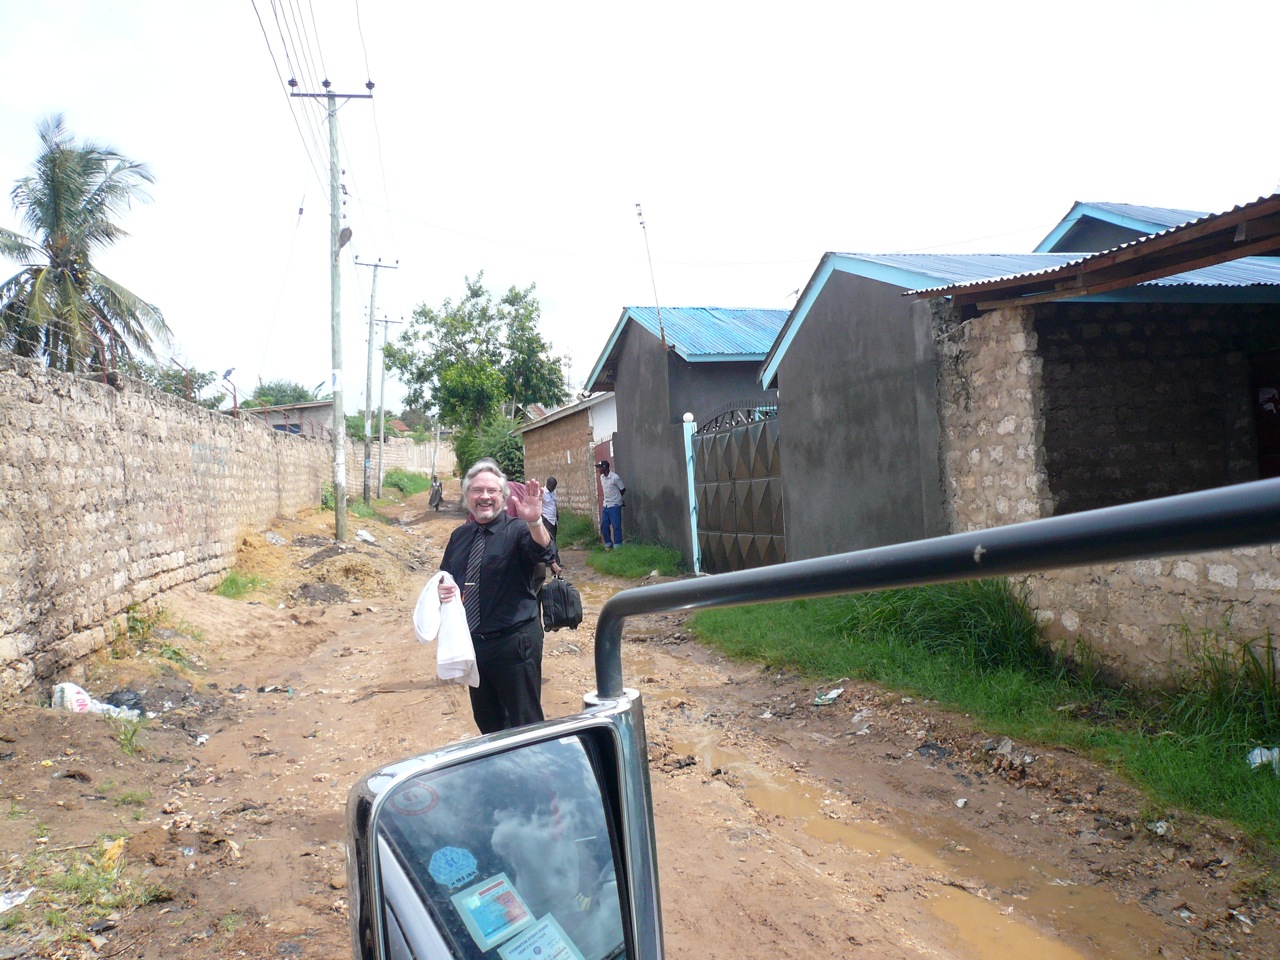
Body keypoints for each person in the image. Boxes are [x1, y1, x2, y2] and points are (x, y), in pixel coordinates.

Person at [437, 459, 557, 734]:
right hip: (475, 645)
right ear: (468, 496)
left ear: (503, 497)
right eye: (477, 490)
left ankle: (534, 775)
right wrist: (441, 588)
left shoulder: (517, 530)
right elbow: (446, 576)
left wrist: (535, 522)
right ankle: (504, 775)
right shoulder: (460, 536)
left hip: (515, 644)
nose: (485, 497)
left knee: (525, 723)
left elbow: (544, 552)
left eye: (492, 491)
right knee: (489, 723)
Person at [596, 460, 626, 550]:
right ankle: (608, 544)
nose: (598, 470)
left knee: (616, 526)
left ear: (605, 468)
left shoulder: (615, 477)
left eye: (600, 468)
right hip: (606, 504)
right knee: (604, 525)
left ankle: (618, 546)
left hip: (615, 505)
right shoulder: (602, 477)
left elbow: (623, 489)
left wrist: (618, 499)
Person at [541, 476, 564, 576]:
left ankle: (551, 561)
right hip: (546, 519)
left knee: (553, 540)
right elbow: (538, 505)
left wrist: (557, 515)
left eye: (555, 486)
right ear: (548, 484)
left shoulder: (552, 493)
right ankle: (554, 562)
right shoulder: (542, 492)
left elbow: (554, 505)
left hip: (553, 519)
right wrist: (542, 518)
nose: (554, 488)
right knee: (550, 541)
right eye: (553, 486)